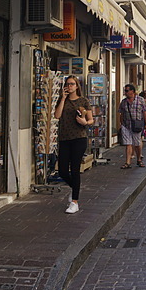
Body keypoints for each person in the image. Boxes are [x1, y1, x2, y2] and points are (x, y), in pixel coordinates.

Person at [53, 75, 93, 214]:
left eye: (72, 84)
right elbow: (57, 116)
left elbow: (91, 120)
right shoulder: (62, 100)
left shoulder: (83, 101)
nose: (69, 86)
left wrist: (85, 122)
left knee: (75, 169)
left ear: (77, 86)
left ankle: (75, 202)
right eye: (67, 84)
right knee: (63, 170)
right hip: (64, 138)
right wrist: (63, 98)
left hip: (79, 138)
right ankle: (75, 188)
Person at [118, 83, 146, 169]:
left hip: (137, 125)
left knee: (137, 144)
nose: (125, 92)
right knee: (128, 144)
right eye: (125, 91)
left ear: (132, 91)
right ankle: (127, 162)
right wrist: (121, 124)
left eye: (126, 90)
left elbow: (145, 111)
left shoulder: (140, 100)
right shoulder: (124, 102)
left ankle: (139, 159)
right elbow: (121, 113)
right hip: (126, 125)